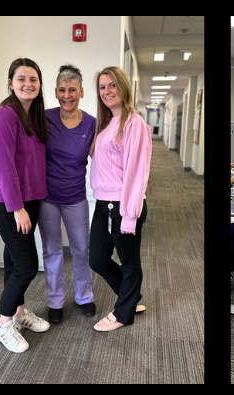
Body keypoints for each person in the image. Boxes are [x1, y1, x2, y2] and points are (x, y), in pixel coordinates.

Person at [0, 58, 51, 353]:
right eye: (22, 79)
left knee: (14, 260)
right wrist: (17, 207)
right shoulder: (4, 115)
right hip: (8, 203)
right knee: (26, 266)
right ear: (10, 82)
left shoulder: (32, 116)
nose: (28, 84)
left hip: (30, 200)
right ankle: (3, 322)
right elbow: (3, 166)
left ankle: (19, 313)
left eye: (34, 79)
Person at [88, 66, 152, 332]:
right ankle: (130, 297)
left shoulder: (135, 124)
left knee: (129, 262)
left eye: (111, 85)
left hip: (122, 206)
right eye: (102, 87)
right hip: (103, 204)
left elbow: (137, 174)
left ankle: (123, 312)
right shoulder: (105, 123)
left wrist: (129, 213)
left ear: (123, 87)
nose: (106, 92)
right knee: (97, 260)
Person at [38, 64, 96, 325]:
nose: (67, 95)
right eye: (62, 89)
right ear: (55, 91)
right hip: (47, 198)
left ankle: (84, 296)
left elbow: (104, 157)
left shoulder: (92, 123)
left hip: (75, 198)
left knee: (81, 250)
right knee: (51, 250)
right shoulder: (44, 117)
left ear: (81, 92)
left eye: (72, 89)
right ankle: (55, 301)